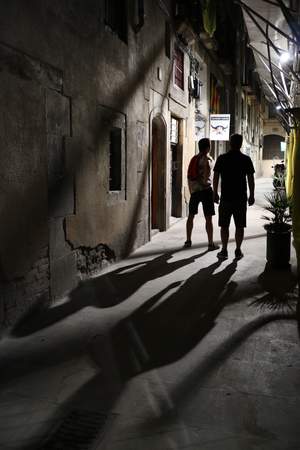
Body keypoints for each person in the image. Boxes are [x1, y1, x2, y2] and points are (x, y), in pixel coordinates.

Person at [213, 133, 255, 260]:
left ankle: (224, 250)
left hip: (226, 198)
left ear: (230, 143)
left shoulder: (222, 158)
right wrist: (251, 195)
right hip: (240, 198)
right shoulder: (246, 159)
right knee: (240, 226)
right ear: (241, 144)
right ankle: (238, 250)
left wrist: (215, 193)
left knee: (224, 225)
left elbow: (215, 177)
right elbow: (250, 179)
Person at [184, 138, 219, 251]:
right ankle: (210, 244)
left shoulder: (194, 159)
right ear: (208, 147)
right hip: (205, 191)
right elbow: (207, 175)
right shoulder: (208, 159)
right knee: (208, 218)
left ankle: (188, 240)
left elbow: (189, 176)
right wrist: (212, 191)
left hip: (195, 191)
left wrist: (191, 191)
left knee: (191, 216)